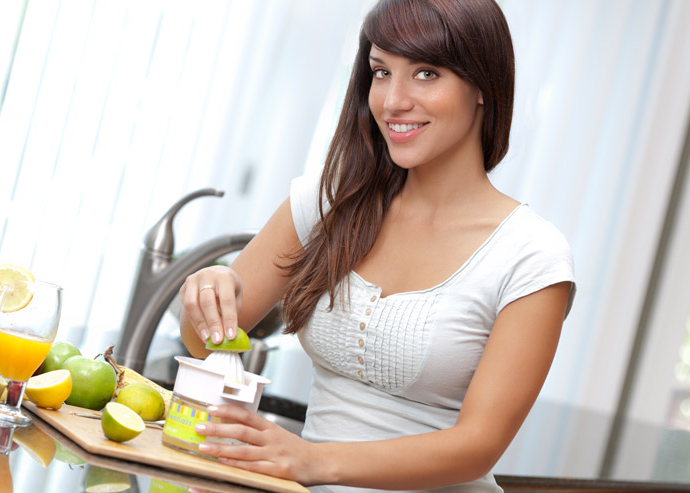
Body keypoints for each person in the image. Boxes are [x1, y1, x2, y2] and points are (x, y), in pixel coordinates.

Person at [178, 0, 576, 491]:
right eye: (382, 72)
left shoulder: (530, 255)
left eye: (426, 74)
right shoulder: (329, 201)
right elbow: (203, 345)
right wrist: (208, 294)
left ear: (481, 85)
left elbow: (479, 445)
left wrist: (312, 461)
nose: (392, 101)